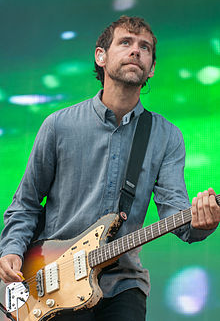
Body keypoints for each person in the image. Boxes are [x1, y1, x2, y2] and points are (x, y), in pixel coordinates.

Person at [0, 16, 219, 321]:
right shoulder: (59, 126)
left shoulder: (166, 136)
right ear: (100, 56)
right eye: (126, 42)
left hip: (123, 283)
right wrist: (10, 249)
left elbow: (178, 217)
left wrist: (202, 222)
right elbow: (25, 204)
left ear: (151, 68)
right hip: (52, 281)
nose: (136, 51)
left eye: (145, 47)